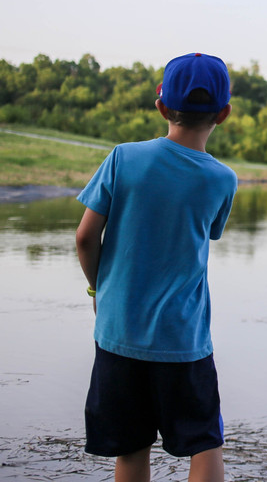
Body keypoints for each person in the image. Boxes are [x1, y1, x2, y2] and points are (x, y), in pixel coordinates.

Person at [75, 53, 237, 482]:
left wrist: (98, 290)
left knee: (130, 448)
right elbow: (208, 233)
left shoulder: (122, 158)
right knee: (204, 443)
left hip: (119, 334)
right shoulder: (222, 179)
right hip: (183, 340)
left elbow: (85, 237)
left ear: (162, 107)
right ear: (224, 113)